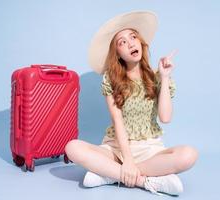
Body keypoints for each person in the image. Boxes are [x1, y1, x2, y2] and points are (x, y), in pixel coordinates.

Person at [65, 10, 198, 196]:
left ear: (141, 43)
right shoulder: (111, 80)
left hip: (149, 149)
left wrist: (165, 77)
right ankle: (144, 181)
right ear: (117, 53)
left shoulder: (157, 77)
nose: (130, 43)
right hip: (117, 147)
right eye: (122, 42)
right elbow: (117, 121)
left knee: (189, 154)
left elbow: (165, 117)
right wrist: (126, 159)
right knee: (72, 148)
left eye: (133, 37)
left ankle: (109, 175)